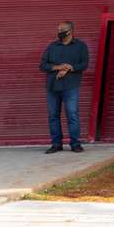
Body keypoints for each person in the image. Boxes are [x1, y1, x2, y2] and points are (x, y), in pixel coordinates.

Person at [39, 20, 89, 153]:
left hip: (71, 86)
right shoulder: (52, 47)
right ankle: (56, 144)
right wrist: (57, 67)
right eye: (58, 30)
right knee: (53, 115)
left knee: (72, 114)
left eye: (62, 31)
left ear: (70, 31)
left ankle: (75, 143)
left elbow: (84, 64)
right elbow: (43, 66)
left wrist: (68, 69)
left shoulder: (81, 46)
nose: (59, 33)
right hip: (52, 87)